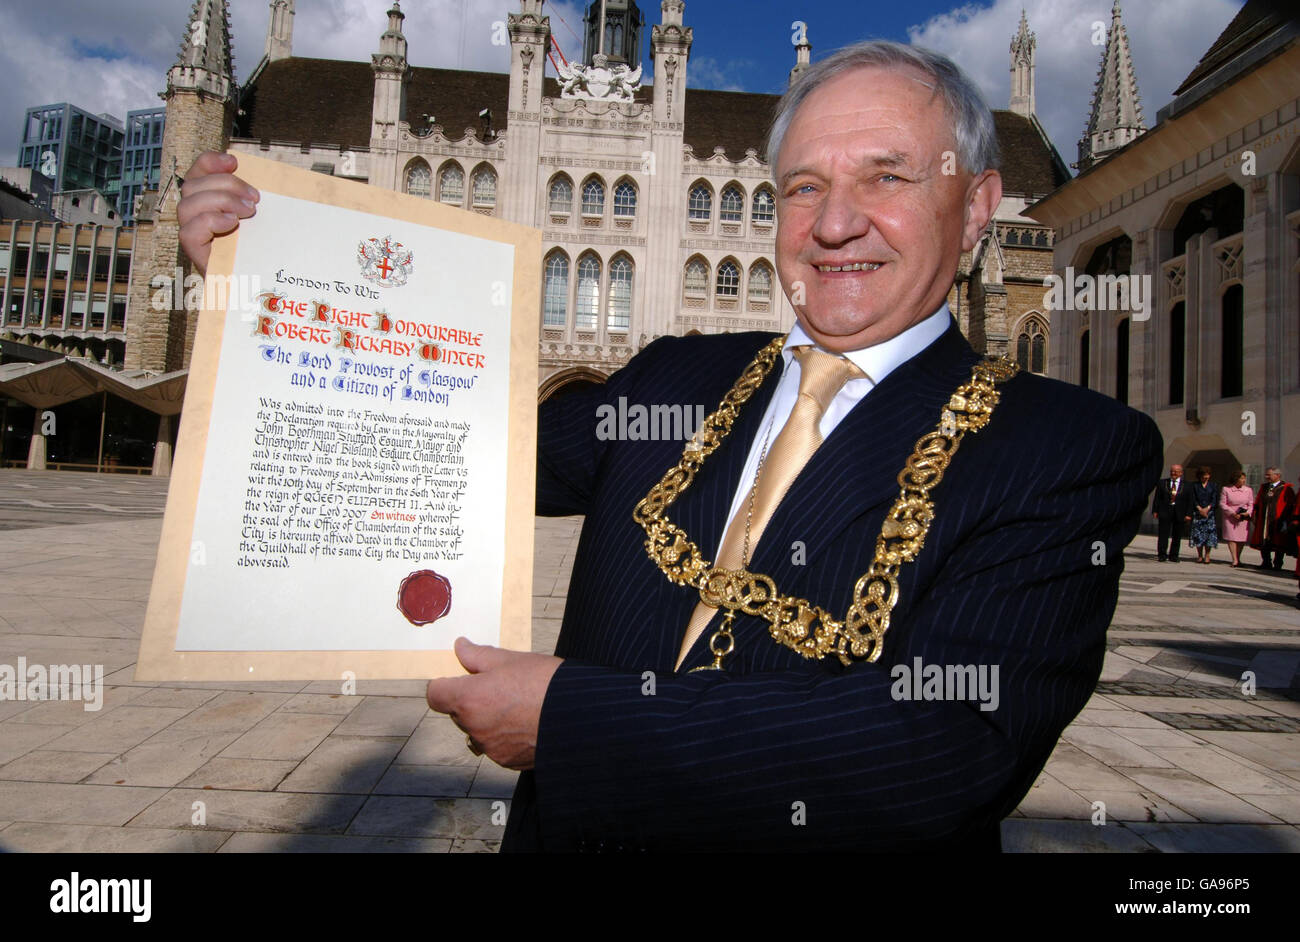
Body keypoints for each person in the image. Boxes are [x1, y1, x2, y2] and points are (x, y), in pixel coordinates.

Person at [177, 41, 1163, 852]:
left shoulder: (1064, 446)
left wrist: (572, 721)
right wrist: (270, 283)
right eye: (803, 186)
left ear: (978, 206)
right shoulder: (673, 380)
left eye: (887, 177)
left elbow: (948, 744)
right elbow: (433, 433)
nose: (834, 225)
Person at [1250, 467, 1295, 571]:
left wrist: (1286, 520)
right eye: (1266, 475)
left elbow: (1290, 505)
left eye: (1269, 475)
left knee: (1279, 542)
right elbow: (1258, 502)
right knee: (1264, 541)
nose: (1266, 477)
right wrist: (1255, 515)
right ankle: (1266, 562)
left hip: (1278, 520)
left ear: (1277, 475)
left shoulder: (1286, 488)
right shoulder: (1264, 487)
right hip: (1264, 520)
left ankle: (1278, 564)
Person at [1151, 463, 1189, 562]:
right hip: (1165, 511)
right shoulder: (1162, 483)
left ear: (1181, 473)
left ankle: (1174, 555)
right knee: (1163, 534)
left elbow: (1190, 501)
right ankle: (1162, 554)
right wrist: (1155, 510)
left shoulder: (1187, 485)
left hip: (1180, 512)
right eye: (1172, 471)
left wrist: (1188, 514)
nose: (1173, 473)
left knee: (1177, 535)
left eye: (1176, 471)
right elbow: (1157, 498)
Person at [1219, 470, 1253, 567]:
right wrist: (1232, 513)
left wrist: (1247, 513)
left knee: (1241, 539)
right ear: (1236, 479)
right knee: (1232, 538)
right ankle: (1234, 559)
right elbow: (1222, 503)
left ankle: (1238, 557)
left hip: (1243, 516)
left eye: (1244, 478)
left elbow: (1250, 504)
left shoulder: (1248, 490)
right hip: (1230, 516)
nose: (1243, 480)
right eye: (1241, 478)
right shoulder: (1226, 489)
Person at [1186, 466, 1219, 564]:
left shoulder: (1213, 485)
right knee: (1198, 534)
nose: (1206, 477)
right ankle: (1199, 555)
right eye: (1204, 475)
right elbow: (1193, 499)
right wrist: (1199, 509)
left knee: (1209, 535)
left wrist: (1207, 508)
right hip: (1198, 513)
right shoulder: (1194, 485)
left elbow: (1215, 499)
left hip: (1209, 513)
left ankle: (1207, 555)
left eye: (1208, 475)